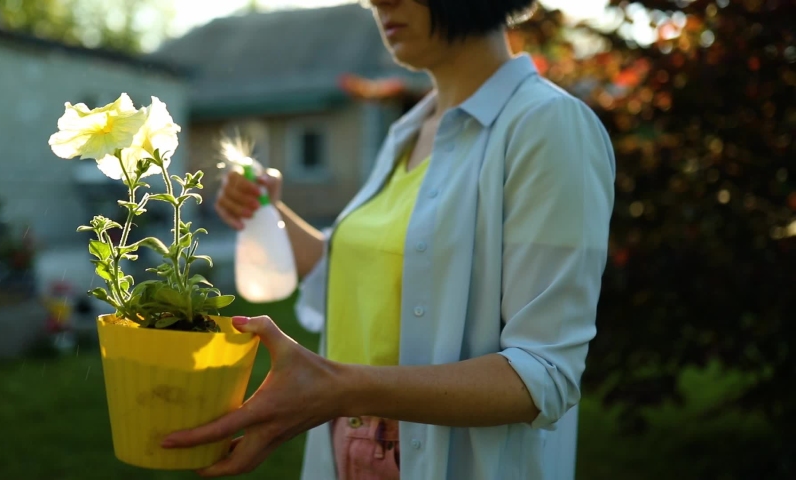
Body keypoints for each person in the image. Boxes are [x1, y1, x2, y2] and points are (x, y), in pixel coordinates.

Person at [161, 0, 616, 478]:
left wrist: (338, 388)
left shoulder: (548, 126)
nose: (378, 2)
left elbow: (542, 377)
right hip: (348, 450)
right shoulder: (412, 130)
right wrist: (266, 211)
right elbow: (355, 276)